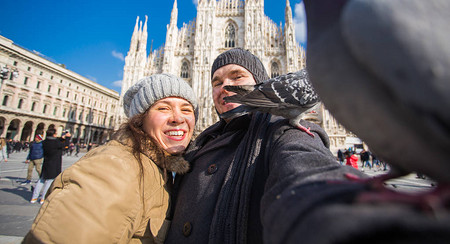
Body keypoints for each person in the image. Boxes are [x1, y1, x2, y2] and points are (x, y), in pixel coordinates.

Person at [166, 48, 450, 243]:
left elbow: (304, 163)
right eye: (216, 81)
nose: (225, 86)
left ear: (259, 81)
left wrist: (341, 207)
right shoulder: (197, 143)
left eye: (237, 77)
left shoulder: (281, 131)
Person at [23, 73, 198, 244]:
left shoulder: (157, 166)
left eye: (186, 109)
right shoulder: (113, 168)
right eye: (163, 108)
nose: (178, 118)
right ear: (139, 119)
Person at [29, 129, 64, 204]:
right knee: (49, 181)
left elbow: (56, 142)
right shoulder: (56, 143)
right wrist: (65, 138)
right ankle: (43, 198)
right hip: (54, 164)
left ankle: (34, 198)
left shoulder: (44, 142)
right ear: (54, 134)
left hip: (46, 163)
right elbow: (63, 145)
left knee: (41, 180)